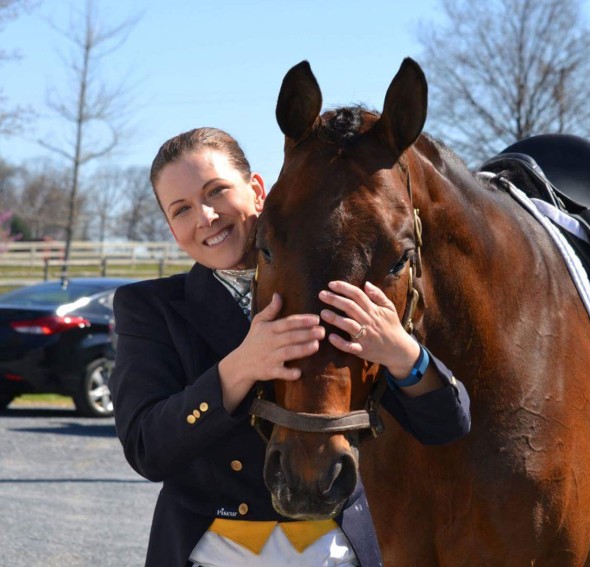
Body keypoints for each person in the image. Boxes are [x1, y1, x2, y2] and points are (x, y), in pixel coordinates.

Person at [109, 127, 471, 567]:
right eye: (181, 209)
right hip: (208, 552)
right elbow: (148, 449)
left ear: (257, 190)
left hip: (334, 552)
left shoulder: (334, 287)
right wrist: (238, 369)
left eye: (216, 191)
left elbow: (446, 426)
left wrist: (401, 354)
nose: (205, 216)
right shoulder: (150, 309)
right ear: (171, 228)